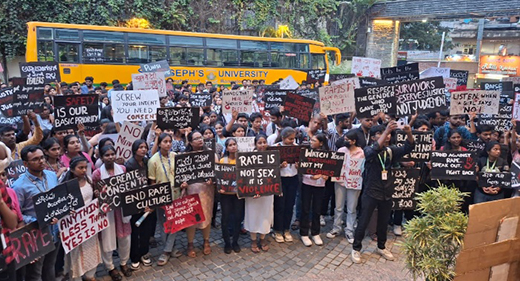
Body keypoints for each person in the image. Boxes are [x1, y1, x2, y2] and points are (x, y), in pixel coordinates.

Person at [351, 121, 414, 264]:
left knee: (384, 221)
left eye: (388, 134)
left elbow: (409, 147)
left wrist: (409, 132)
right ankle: (356, 248)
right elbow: (373, 152)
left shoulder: (391, 150)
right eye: (380, 134)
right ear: (373, 137)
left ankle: (381, 246)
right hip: (371, 191)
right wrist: (386, 130)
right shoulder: (367, 150)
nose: (386, 135)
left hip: (387, 191)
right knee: (364, 221)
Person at [12, 145, 60, 281]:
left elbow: (57, 199)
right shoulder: (19, 186)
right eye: (35, 159)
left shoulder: (51, 176)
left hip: (55, 230)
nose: (41, 161)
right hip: (36, 235)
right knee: (35, 274)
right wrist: (36, 219)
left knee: (50, 266)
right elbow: (17, 215)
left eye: (42, 158)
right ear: (26, 164)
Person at [92, 146, 132, 280]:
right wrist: (96, 194)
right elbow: (94, 192)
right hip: (107, 212)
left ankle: (124, 263)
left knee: (125, 238)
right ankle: (110, 267)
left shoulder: (123, 169)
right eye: (107, 155)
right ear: (101, 157)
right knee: (106, 241)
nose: (110, 157)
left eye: (112, 154)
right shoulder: (97, 174)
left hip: (122, 210)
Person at [60, 157, 102, 281]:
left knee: (91, 249)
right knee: (77, 253)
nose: (84, 170)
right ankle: (76, 277)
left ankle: (90, 275)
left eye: (85, 167)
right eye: (80, 168)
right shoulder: (65, 186)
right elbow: (61, 206)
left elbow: (92, 198)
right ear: (72, 170)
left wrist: (97, 195)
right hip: (74, 226)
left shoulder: (89, 180)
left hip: (89, 223)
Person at [148, 133, 182, 265]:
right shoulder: (153, 160)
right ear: (159, 143)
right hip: (162, 195)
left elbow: (180, 174)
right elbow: (152, 182)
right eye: (165, 141)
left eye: (170, 141)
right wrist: (156, 198)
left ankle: (167, 250)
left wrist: (183, 184)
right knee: (164, 224)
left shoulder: (174, 156)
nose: (168, 144)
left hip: (176, 193)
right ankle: (168, 250)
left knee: (175, 222)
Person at [327, 130, 365, 243]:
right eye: (345, 138)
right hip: (340, 182)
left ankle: (349, 230)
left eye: (348, 139)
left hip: (354, 183)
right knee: (338, 207)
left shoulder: (361, 153)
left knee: (351, 208)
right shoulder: (340, 150)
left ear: (354, 141)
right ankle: (336, 228)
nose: (345, 141)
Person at [182, 131, 215, 257]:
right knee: (191, 218)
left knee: (206, 215)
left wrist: (212, 179)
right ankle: (190, 243)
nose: (200, 140)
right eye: (196, 138)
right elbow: (180, 174)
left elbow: (216, 170)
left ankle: (206, 241)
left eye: (200, 137)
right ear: (190, 142)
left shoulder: (210, 153)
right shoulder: (185, 156)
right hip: (191, 190)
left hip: (206, 190)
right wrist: (183, 183)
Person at [125, 140, 154, 270]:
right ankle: (134, 257)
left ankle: (144, 253)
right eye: (140, 147)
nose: (143, 149)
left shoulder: (148, 162)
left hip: (148, 200)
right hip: (135, 202)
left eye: (145, 147)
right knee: (135, 231)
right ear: (135, 149)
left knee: (146, 230)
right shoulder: (129, 165)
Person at [244, 135, 273, 252]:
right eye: (259, 143)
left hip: (267, 192)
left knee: (265, 214)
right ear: (255, 144)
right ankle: (253, 240)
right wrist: (253, 190)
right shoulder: (248, 157)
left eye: (264, 142)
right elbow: (245, 175)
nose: (262, 145)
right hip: (253, 193)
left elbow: (274, 175)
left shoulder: (272, 156)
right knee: (253, 215)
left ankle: (263, 238)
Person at [299, 133, 329, 247]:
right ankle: (304, 233)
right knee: (305, 208)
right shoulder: (306, 152)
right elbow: (303, 168)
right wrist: (310, 176)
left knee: (317, 209)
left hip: (320, 185)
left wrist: (327, 176)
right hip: (307, 183)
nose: (311, 142)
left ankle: (316, 232)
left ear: (321, 143)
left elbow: (330, 168)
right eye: (311, 140)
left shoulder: (326, 155)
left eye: (314, 141)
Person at [272, 128, 299, 243]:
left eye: (293, 138)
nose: (292, 141)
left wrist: (299, 165)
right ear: (283, 138)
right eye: (290, 139)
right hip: (280, 179)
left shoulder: (296, 147)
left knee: (289, 205)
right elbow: (271, 166)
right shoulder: (275, 147)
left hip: (293, 178)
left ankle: (286, 229)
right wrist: (279, 166)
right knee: (279, 205)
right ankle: (277, 230)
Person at [219, 138, 244, 253]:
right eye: (230, 145)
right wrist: (220, 188)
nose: (233, 147)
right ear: (227, 148)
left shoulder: (242, 160)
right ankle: (227, 243)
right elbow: (219, 178)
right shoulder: (222, 161)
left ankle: (235, 241)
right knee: (225, 218)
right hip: (226, 195)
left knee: (238, 218)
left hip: (238, 194)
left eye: (234, 144)